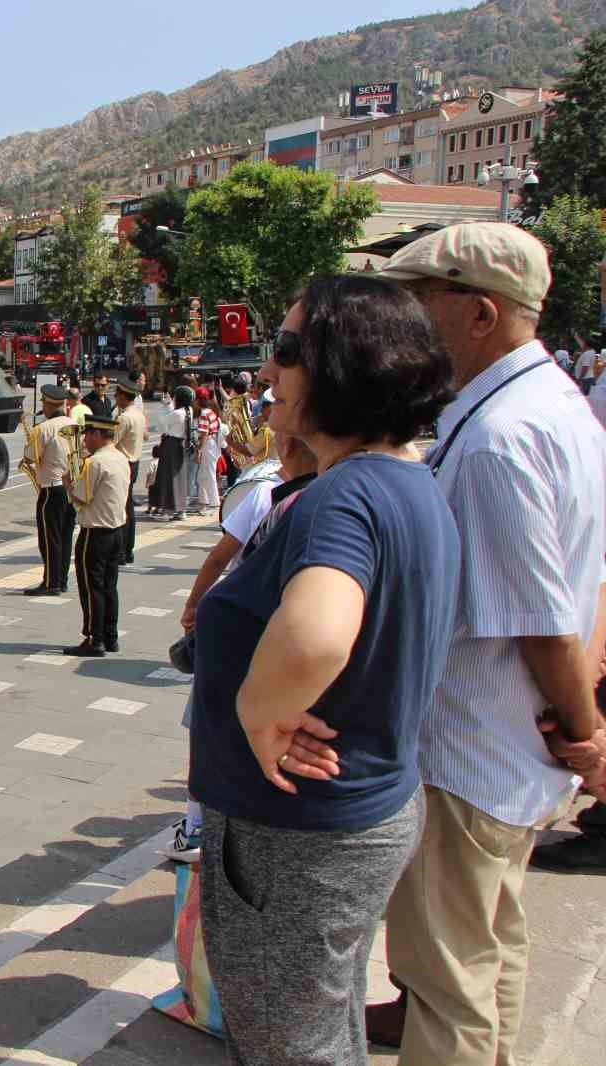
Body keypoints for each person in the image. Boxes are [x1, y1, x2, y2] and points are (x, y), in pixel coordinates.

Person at [190, 275, 460, 1066]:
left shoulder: (342, 499)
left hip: (299, 835)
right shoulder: (405, 481)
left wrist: (255, 713)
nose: (266, 374)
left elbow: (316, 635)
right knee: (319, 1027)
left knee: (288, 1044)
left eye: (284, 352)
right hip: (353, 815)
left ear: (343, 365)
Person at [365, 222, 606, 1061]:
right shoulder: (554, 406)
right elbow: (592, 577)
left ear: (479, 313)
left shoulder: (501, 437)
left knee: (447, 980)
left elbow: (541, 613)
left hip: (473, 747)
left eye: (416, 303)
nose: (402, 324)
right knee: (489, 945)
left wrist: (585, 729)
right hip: (507, 747)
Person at [168, 427, 319, 864]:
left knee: (209, 727)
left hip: (244, 630)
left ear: (288, 444)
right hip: (283, 641)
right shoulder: (332, 495)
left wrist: (195, 605)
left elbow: (220, 556)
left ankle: (197, 827)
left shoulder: (266, 494)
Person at [65, 416, 130, 657]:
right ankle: (110, 636)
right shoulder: (120, 458)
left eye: (87, 435)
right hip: (116, 530)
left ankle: (95, 638)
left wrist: (68, 483)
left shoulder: (95, 462)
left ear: (96, 435)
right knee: (109, 586)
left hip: (95, 533)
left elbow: (81, 497)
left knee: (91, 587)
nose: (84, 440)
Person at [23, 385, 75, 596]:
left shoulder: (43, 429)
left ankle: (50, 582)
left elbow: (29, 458)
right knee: (65, 536)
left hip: (51, 489)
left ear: (46, 404)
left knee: (49, 538)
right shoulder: (75, 425)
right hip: (71, 487)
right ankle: (61, 580)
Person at [113, 377, 146, 564]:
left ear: (125, 396)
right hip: (134, 462)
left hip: (123, 463)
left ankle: (121, 551)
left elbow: (112, 441)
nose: (115, 398)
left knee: (121, 509)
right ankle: (128, 549)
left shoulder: (124, 417)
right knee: (128, 509)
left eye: (117, 394)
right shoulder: (138, 414)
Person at [150, 386, 192, 520]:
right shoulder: (188, 410)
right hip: (181, 444)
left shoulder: (177, 413)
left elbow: (162, 425)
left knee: (168, 477)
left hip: (171, 445)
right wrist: (169, 406)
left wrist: (165, 406)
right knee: (180, 478)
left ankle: (166, 511)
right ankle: (181, 510)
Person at [194, 390, 222, 514]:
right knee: (203, 475)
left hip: (207, 445)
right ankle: (204, 501)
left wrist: (199, 450)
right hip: (212, 444)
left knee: (208, 475)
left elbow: (204, 434)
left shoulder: (204, 414)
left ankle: (214, 503)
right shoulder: (211, 412)